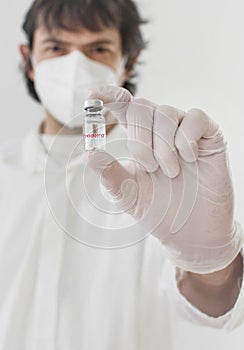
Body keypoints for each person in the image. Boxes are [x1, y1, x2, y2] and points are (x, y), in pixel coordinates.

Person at [1, 0, 244, 349]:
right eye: (56, 47)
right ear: (29, 59)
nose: (75, 65)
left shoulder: (166, 172)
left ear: (128, 61)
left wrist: (210, 260)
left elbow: (215, 307)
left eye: (97, 48)